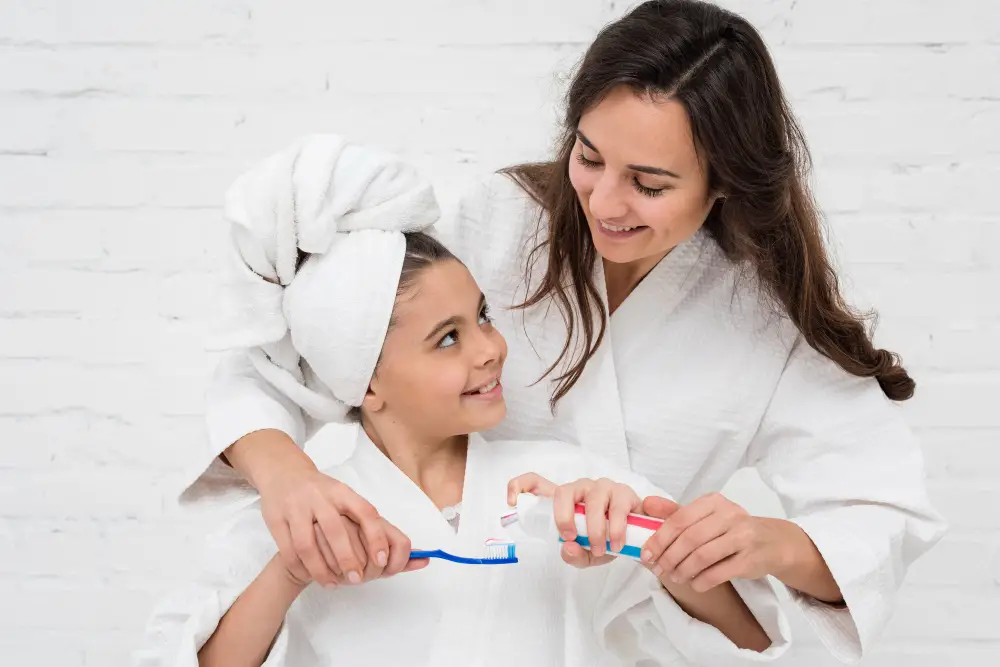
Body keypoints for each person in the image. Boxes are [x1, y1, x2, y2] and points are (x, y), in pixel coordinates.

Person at [183, 1, 945, 663]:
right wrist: (290, 480)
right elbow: (311, 343)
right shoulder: (492, 221)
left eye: (649, 183)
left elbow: (881, 510)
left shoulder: (764, 317)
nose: (604, 201)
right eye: (588, 156)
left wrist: (763, 544)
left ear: (724, 183)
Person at [138, 135, 787, 666]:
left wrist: (651, 543)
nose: (490, 348)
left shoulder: (573, 493)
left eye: (483, 316)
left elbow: (755, 648)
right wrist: (292, 569)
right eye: (448, 338)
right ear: (365, 382)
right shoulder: (300, 523)